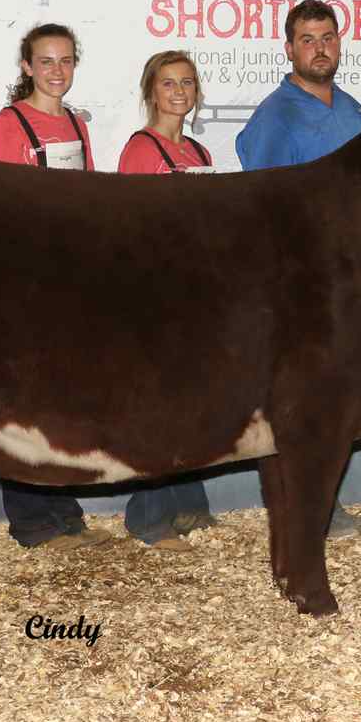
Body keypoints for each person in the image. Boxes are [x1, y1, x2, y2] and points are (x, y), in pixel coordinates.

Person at [235, 0, 361, 539]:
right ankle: (300, 514)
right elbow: (265, 204)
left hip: (350, 279)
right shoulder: (277, 115)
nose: (319, 49)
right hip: (302, 284)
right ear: (289, 49)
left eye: (327, 38)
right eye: (307, 40)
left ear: (339, 43)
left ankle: (323, 507)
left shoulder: (352, 110)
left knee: (332, 399)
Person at [0, 22, 109, 552]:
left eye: (66, 61)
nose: (57, 71)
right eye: (46, 61)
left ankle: (64, 512)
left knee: (61, 401)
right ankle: (32, 521)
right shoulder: (9, 123)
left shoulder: (77, 124)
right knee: (25, 403)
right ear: (27, 67)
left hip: (69, 277)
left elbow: (90, 198)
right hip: (25, 278)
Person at [116, 51, 220, 552]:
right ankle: (148, 517)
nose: (179, 92)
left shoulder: (198, 152)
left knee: (190, 403)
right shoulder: (141, 150)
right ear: (151, 93)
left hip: (194, 292)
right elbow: (129, 228)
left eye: (187, 82)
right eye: (168, 83)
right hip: (155, 294)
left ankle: (187, 504)